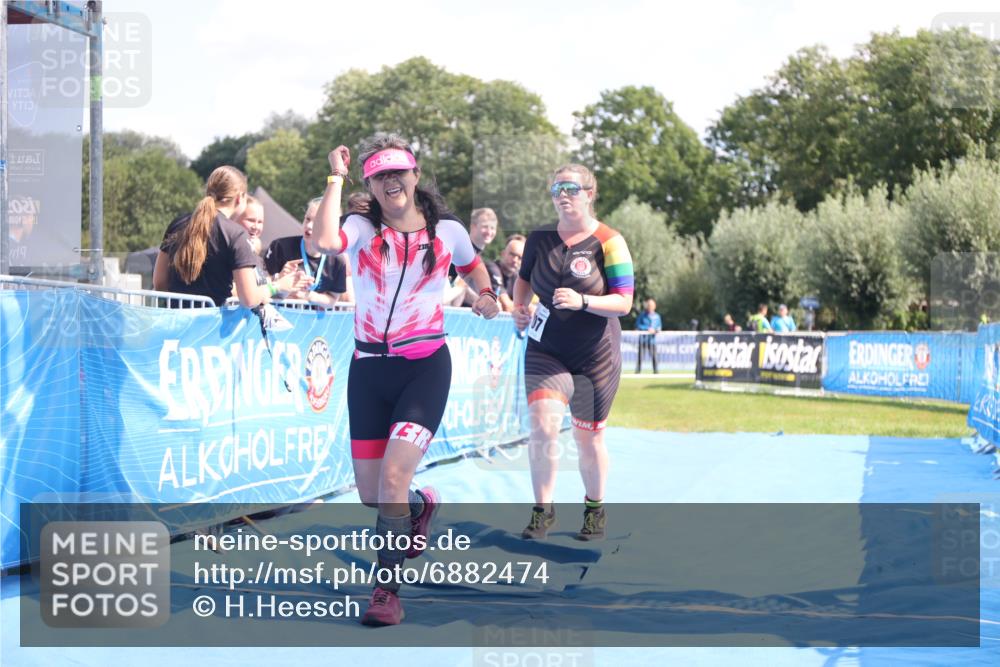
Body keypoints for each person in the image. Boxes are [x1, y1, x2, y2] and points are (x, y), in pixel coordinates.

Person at [312, 134, 500, 626]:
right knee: (373, 494)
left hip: (424, 368)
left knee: (393, 478)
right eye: (379, 176)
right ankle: (421, 504)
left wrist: (486, 295)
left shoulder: (449, 232)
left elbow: (477, 271)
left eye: (399, 173)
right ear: (370, 185)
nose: (391, 182)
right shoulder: (359, 226)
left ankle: (386, 590)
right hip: (369, 369)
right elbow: (322, 241)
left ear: (415, 177)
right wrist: (335, 176)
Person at [512, 164, 634, 543]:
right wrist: (519, 308)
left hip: (595, 354)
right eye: (555, 189)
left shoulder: (610, 241)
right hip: (546, 348)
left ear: (590, 193)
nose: (562, 195)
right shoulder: (539, 238)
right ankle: (542, 511)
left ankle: (594, 508)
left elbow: (625, 303)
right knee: (544, 425)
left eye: (571, 188)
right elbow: (525, 279)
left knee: (588, 439)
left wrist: (583, 300)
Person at [153, 166, 309, 307]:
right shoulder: (235, 234)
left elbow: (159, 282)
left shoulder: (178, 223)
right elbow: (249, 299)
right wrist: (278, 285)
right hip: (213, 330)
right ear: (240, 198)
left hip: (177, 324)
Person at [264, 197, 349, 308]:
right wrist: (279, 278)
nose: (308, 226)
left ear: (332, 227)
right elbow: (261, 285)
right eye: (307, 219)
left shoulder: (337, 260)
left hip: (310, 323)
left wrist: (307, 295)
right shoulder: (280, 246)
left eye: (316, 222)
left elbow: (332, 300)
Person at [497, 234, 526, 312]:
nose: (515, 260)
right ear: (503, 253)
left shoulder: (518, 277)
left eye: (520, 258)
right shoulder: (491, 267)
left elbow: (525, 305)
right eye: (512, 254)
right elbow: (507, 306)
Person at [634, 298, 662, 374]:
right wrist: (647, 329)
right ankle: (638, 371)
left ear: (654, 306)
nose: (650, 307)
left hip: (652, 340)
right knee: (640, 357)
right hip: (643, 340)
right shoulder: (642, 315)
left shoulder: (657, 316)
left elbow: (659, 327)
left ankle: (656, 371)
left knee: (654, 357)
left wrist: (655, 330)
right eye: (649, 305)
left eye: (651, 305)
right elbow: (637, 325)